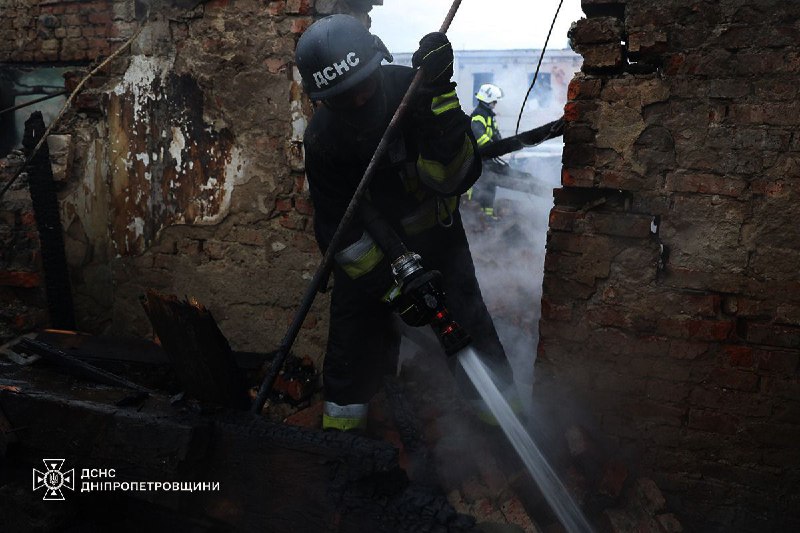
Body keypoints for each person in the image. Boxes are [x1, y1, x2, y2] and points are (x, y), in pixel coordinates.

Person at [295, 15, 515, 431]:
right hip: (370, 262)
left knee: (473, 333)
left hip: (440, 244)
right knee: (351, 355)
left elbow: (452, 179)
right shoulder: (323, 137)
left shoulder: (412, 92)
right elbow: (340, 235)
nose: (359, 101)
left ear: (378, 64)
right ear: (322, 98)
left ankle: (503, 432)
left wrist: (440, 97)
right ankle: (346, 450)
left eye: (364, 86)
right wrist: (393, 289)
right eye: (344, 96)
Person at [467, 83, 509, 217]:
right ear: (487, 100)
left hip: (488, 162)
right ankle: (473, 218)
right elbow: (479, 138)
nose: (495, 104)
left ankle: (488, 218)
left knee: (490, 188)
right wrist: (494, 147)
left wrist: (502, 145)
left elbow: (496, 136)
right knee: (479, 190)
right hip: (478, 162)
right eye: (494, 101)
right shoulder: (478, 116)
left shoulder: (489, 116)